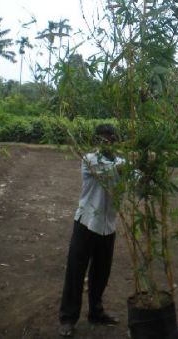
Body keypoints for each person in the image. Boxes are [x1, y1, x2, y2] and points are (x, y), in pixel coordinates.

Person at [59, 124, 122, 337]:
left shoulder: (122, 162)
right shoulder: (89, 160)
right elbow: (107, 172)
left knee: (101, 273)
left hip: (108, 226)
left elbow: (134, 180)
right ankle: (68, 318)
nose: (108, 143)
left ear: (116, 141)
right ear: (96, 141)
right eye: (104, 139)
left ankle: (96, 312)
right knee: (76, 271)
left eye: (111, 139)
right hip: (86, 223)